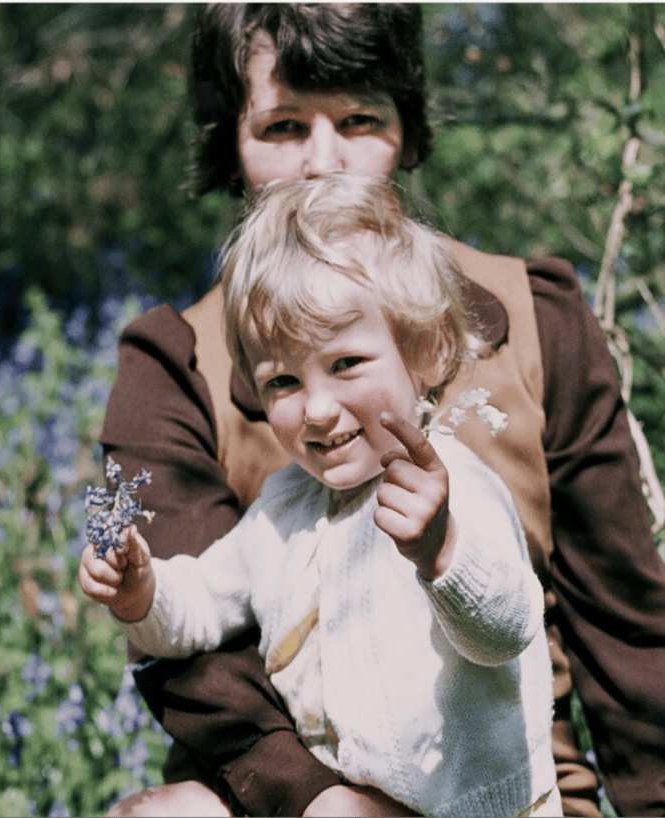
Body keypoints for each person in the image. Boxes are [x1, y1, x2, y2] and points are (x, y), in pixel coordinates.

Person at [96, 5, 665, 817]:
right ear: (231, 140)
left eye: (360, 118)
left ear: (407, 126)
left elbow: (630, 638)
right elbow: (198, 656)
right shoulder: (176, 359)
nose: (325, 163)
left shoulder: (538, 317)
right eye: (284, 126)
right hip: (274, 795)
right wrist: (326, 804)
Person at [81, 173, 561, 818]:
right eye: (282, 380)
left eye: (345, 365)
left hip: (475, 809)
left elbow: (506, 630)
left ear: (427, 349)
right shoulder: (285, 508)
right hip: (346, 799)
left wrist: (441, 550)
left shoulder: (448, 487)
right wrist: (145, 595)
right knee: (150, 813)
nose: (316, 409)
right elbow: (200, 607)